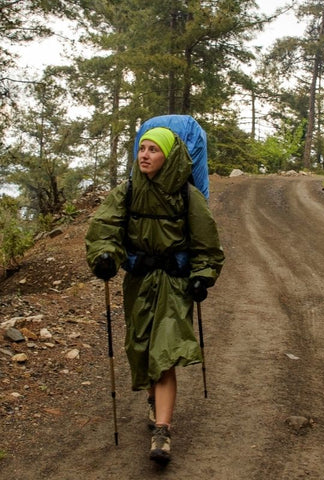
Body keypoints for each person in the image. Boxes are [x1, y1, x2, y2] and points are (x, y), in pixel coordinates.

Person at [85, 125, 224, 465]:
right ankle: (153, 399)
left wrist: (201, 277)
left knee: (164, 352)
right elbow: (104, 231)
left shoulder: (188, 196)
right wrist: (105, 257)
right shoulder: (127, 191)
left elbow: (207, 246)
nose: (145, 155)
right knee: (142, 347)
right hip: (139, 282)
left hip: (174, 285)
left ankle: (162, 431)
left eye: (153, 150)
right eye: (142, 148)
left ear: (169, 156)